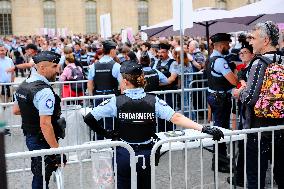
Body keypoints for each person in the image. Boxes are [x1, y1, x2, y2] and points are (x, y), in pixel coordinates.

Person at [84, 60, 224, 189]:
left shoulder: (115, 101)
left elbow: (89, 118)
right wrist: (203, 127)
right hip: (146, 155)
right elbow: (176, 118)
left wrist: (106, 133)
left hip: (124, 154)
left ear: (125, 81)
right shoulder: (154, 100)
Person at [234, 21, 284, 189]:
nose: (250, 42)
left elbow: (249, 99)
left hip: (258, 131)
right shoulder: (282, 59)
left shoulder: (258, 63)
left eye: (253, 38)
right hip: (281, 128)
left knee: (255, 178)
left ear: (266, 40)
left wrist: (239, 91)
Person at [12, 51, 66, 189]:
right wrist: (57, 150)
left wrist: (33, 113)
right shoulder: (44, 91)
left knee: (40, 173)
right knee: (41, 176)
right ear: (42, 68)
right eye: (54, 67)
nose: (58, 70)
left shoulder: (24, 84)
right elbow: (45, 124)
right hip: (42, 139)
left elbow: (16, 110)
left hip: (31, 136)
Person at [206, 33, 238, 173]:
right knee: (221, 130)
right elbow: (234, 81)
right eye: (227, 44)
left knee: (219, 129)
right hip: (220, 100)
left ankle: (219, 160)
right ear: (220, 45)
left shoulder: (210, 59)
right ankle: (220, 162)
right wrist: (236, 72)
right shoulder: (220, 61)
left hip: (214, 97)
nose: (229, 46)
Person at [87, 40, 121, 139]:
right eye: (115, 50)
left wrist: (91, 97)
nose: (116, 52)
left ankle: (99, 144)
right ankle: (112, 144)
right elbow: (122, 84)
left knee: (98, 122)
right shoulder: (116, 66)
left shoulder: (94, 65)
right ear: (111, 51)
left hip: (98, 97)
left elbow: (90, 84)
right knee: (111, 123)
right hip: (111, 97)